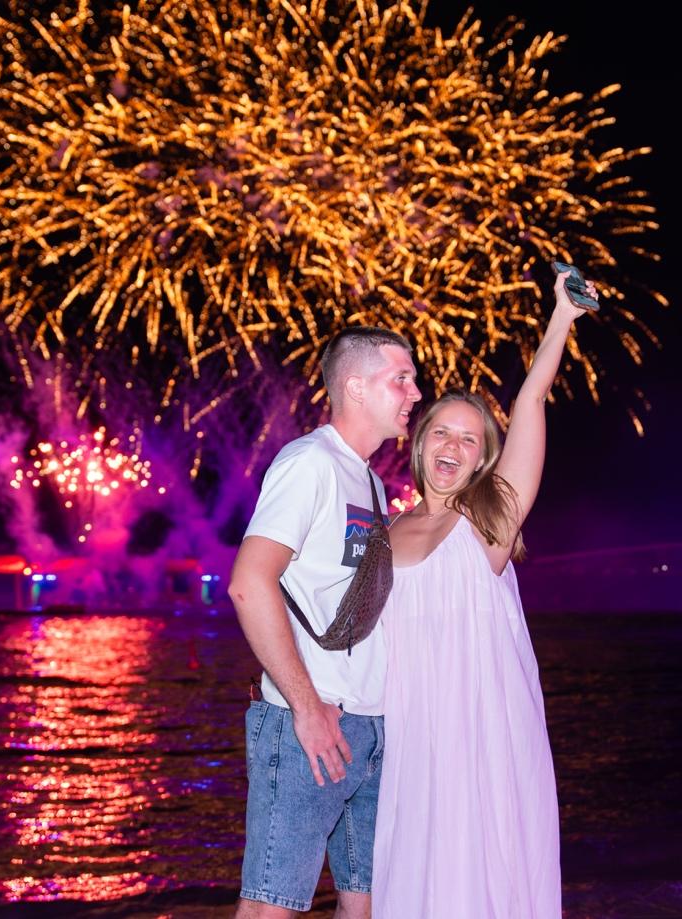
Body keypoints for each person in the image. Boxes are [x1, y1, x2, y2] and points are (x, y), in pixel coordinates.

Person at [372, 269, 593, 917]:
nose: (454, 444)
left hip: (482, 738)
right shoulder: (383, 531)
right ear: (419, 443)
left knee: (481, 877)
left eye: (470, 439)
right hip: (407, 740)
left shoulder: (489, 522)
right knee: (412, 880)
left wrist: (561, 318)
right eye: (442, 431)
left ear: (482, 460)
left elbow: (530, 402)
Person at [229, 327, 422, 917]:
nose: (415, 393)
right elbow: (249, 582)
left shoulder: (370, 481)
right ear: (356, 387)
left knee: (366, 906)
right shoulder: (309, 462)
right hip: (312, 724)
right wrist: (306, 707)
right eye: (401, 379)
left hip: (371, 725)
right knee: (272, 907)